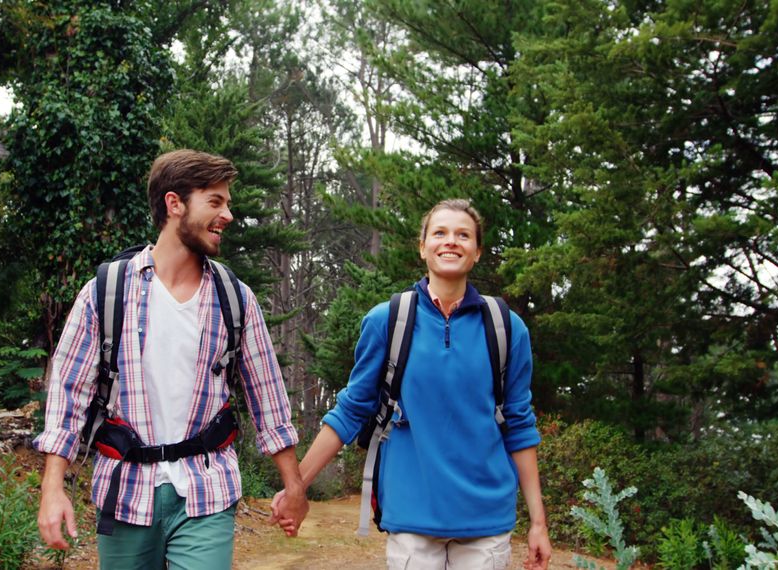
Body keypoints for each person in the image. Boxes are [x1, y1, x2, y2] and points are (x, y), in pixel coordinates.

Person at [35, 149, 308, 569]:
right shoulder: (106, 292)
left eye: (228, 203)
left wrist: (294, 486)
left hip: (206, 490)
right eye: (215, 201)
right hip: (124, 491)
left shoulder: (234, 299)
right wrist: (53, 488)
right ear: (174, 203)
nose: (228, 215)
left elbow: (268, 400)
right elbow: (68, 397)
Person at [273, 199, 552, 569]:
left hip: (486, 519)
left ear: (477, 252)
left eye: (463, 235)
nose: (451, 241)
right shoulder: (388, 320)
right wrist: (298, 487)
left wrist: (538, 522)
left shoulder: (505, 327)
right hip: (411, 516)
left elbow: (519, 423)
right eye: (440, 233)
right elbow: (351, 410)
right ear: (422, 247)